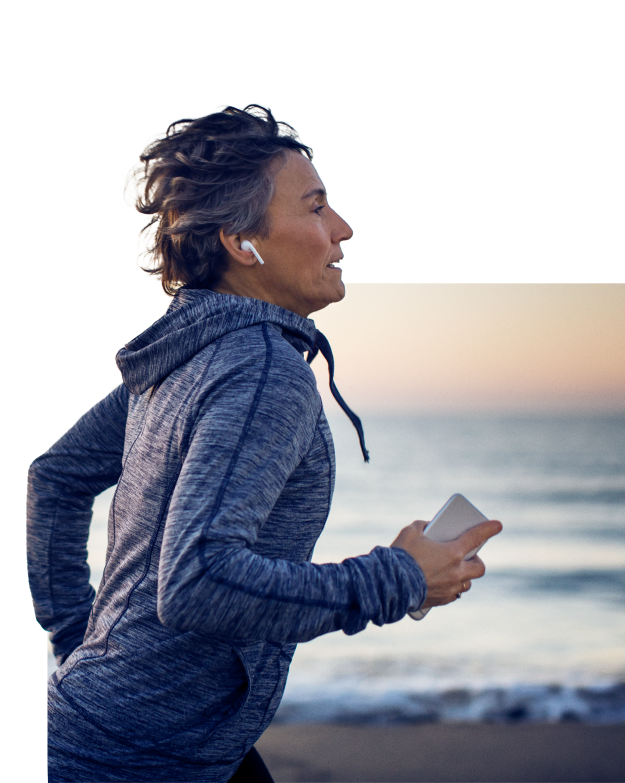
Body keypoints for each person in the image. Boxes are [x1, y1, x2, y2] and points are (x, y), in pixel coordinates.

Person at [28, 104, 502, 783]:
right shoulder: (261, 371)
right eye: (315, 209)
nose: (342, 229)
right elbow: (198, 581)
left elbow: (55, 477)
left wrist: (77, 643)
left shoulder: (187, 351)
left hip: (122, 727)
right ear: (241, 242)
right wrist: (398, 578)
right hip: (143, 760)